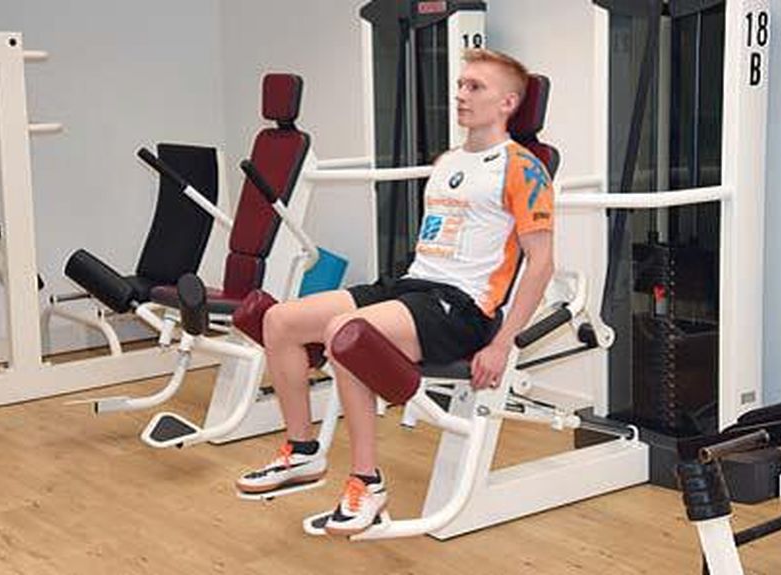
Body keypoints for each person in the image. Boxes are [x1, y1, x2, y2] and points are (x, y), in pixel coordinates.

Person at [235, 48, 554, 536]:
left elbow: (541, 264)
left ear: (508, 103)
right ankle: (301, 452)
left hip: (460, 307)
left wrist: (502, 343)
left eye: (475, 87)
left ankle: (367, 482)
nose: (461, 94)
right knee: (280, 320)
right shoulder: (448, 160)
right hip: (410, 287)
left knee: (347, 333)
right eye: (461, 84)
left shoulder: (524, 168)